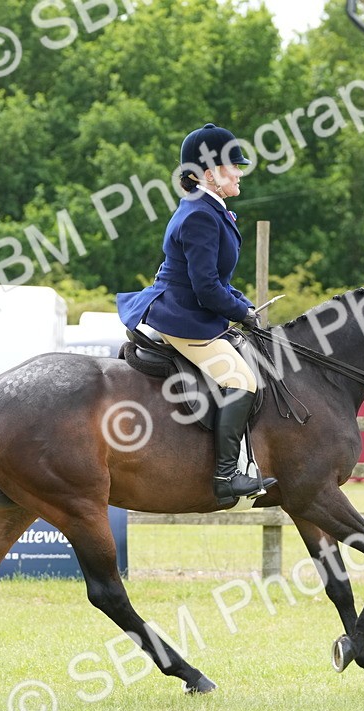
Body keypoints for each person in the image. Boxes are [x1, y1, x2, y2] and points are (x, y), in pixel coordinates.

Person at [116, 122, 276, 508]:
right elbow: (205, 287)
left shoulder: (211, 210)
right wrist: (241, 312)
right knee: (242, 381)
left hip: (190, 308)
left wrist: (244, 306)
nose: (240, 173)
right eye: (233, 167)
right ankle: (225, 476)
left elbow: (215, 279)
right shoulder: (200, 215)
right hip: (182, 317)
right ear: (209, 174)